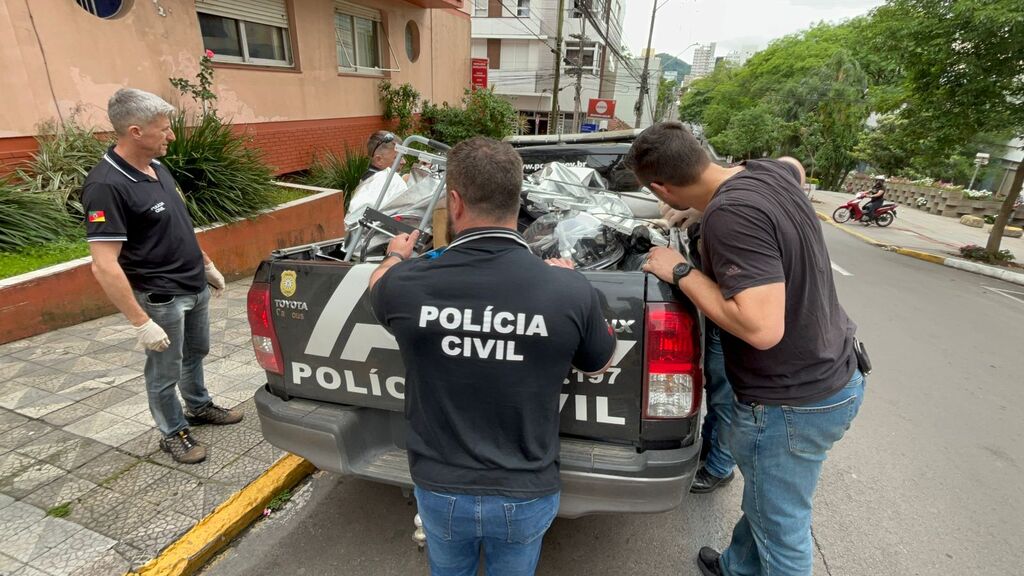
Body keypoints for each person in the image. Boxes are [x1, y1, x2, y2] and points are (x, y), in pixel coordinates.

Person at [368, 137, 617, 576]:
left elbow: (377, 286)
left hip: (440, 489)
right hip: (525, 492)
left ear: (455, 202)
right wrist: (578, 291)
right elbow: (600, 361)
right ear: (518, 202)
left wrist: (394, 255)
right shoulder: (570, 291)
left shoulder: (406, 284)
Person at [627, 122, 865, 576]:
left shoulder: (730, 214)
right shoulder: (765, 173)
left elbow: (760, 328)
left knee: (783, 531)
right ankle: (738, 568)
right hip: (834, 371)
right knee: (768, 498)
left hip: (791, 401)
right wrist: (697, 212)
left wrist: (679, 270)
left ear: (661, 188)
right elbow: (794, 166)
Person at [84, 88, 242, 465]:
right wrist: (141, 324)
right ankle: (173, 432)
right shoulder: (106, 186)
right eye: (164, 129)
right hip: (161, 297)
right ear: (135, 131)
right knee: (163, 370)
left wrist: (205, 265)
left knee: (195, 353)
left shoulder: (158, 168)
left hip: (193, 284)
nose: (171, 135)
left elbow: (176, 225)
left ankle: (199, 406)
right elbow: (103, 263)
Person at [659, 202, 737, 494]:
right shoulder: (714, 213)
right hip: (719, 324)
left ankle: (720, 467)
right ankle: (711, 449)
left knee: (727, 402)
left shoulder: (732, 219)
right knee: (718, 397)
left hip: (728, 327)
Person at [346, 130, 409, 230]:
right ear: (379, 160)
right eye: (397, 158)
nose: (403, 162)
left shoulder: (370, 179)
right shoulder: (388, 179)